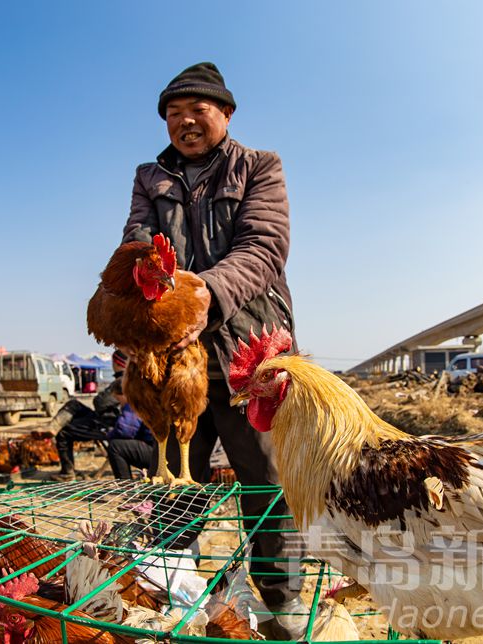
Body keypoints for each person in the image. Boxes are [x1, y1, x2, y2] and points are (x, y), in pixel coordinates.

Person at [121, 62, 306, 639]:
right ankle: (181, 601)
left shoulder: (259, 167)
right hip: (176, 363)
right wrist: (140, 307)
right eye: (173, 114)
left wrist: (207, 293)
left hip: (251, 353)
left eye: (196, 110)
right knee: (175, 483)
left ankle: (280, 607)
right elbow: (133, 246)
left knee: (267, 485)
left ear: (225, 113)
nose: (185, 122)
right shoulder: (150, 177)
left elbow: (264, 245)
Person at [104, 389, 155, 480]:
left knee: (115, 447)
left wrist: (108, 435)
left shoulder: (134, 403)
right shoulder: (148, 398)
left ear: (124, 394)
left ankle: (125, 487)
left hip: (158, 453)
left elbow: (124, 430)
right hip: (164, 451)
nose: (117, 402)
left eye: (117, 398)